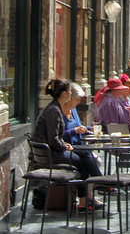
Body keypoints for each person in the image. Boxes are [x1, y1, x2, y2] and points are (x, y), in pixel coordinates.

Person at [32, 79, 102, 212]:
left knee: (85, 154)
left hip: (52, 150)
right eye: (70, 92)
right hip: (49, 155)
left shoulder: (55, 108)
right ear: (64, 94)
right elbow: (53, 139)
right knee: (82, 161)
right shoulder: (54, 111)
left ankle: (92, 191)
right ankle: (98, 184)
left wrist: (64, 144)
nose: (71, 95)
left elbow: (55, 137)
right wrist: (64, 146)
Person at [61, 82, 103, 207]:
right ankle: (100, 181)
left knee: (89, 158)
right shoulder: (57, 113)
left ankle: (86, 200)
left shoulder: (73, 111)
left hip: (77, 146)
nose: (78, 102)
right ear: (69, 98)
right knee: (87, 158)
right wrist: (75, 131)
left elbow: (79, 127)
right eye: (77, 99)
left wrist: (88, 129)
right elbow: (57, 135)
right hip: (66, 147)